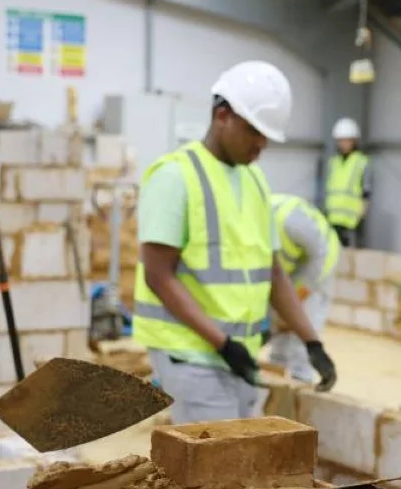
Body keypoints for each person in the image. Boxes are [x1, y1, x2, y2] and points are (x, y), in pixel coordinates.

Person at [133, 60, 338, 423]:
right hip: (191, 354)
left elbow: (274, 275)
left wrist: (312, 342)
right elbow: (159, 276)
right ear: (222, 115)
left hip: (239, 354)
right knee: (217, 468)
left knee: (234, 465)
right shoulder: (175, 176)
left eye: (267, 136)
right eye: (253, 130)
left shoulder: (254, 181)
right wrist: (221, 343)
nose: (261, 143)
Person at [267, 193, 341, 385]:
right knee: (279, 321)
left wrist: (298, 298)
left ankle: (301, 377)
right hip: (284, 269)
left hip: (318, 264)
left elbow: (319, 258)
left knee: (305, 318)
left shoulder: (292, 223)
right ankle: (276, 370)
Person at [323, 116, 371, 247]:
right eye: (340, 140)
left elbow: (366, 191)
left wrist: (362, 214)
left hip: (352, 221)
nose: (343, 144)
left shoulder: (361, 162)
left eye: (347, 140)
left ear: (354, 141)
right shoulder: (333, 162)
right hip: (332, 218)